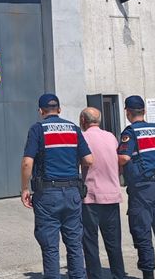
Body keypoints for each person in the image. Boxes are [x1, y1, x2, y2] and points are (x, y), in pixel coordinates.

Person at [21, 93, 94, 279]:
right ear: (59, 109)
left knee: (50, 246)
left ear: (40, 111)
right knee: (74, 244)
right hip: (72, 193)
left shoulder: (37, 129)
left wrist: (24, 189)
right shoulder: (73, 129)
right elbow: (88, 159)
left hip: (47, 195)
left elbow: (27, 163)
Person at [118, 96, 155, 279]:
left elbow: (124, 158)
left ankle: (148, 274)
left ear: (127, 112)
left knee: (142, 233)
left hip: (141, 190)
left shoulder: (130, 132)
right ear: (144, 111)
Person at [79, 107, 126, 279]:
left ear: (83, 120)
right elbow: (119, 165)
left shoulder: (82, 137)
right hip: (112, 196)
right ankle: (119, 275)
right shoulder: (111, 137)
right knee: (114, 243)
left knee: (90, 243)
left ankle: (95, 276)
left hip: (90, 198)